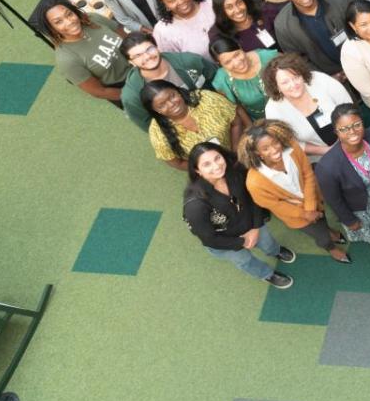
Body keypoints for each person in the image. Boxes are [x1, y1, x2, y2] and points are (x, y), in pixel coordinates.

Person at [183, 141, 295, 289]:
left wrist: (255, 227)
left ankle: (275, 251)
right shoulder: (195, 205)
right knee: (244, 260)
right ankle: (266, 274)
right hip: (226, 242)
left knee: (267, 241)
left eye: (217, 158)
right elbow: (209, 239)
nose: (216, 166)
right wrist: (241, 242)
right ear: (197, 170)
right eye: (207, 164)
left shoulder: (234, 173)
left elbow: (253, 199)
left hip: (250, 223)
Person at [239, 120, 351, 263]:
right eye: (265, 148)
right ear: (256, 152)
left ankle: (331, 232)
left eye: (275, 143)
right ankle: (330, 248)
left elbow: (307, 173)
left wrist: (310, 207)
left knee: (322, 218)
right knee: (321, 235)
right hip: (296, 215)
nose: (274, 150)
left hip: (313, 198)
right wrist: (305, 214)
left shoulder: (293, 147)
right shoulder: (255, 182)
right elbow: (276, 206)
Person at [313, 104, 370, 251]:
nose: (352, 132)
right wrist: (349, 220)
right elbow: (333, 199)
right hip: (363, 206)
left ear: (363, 122)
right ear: (336, 131)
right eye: (344, 129)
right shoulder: (327, 166)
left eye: (356, 125)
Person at [261, 52, 352, 161]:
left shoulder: (320, 80)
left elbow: (349, 108)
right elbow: (288, 142)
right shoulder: (273, 110)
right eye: (285, 82)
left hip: (352, 139)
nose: (293, 85)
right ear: (277, 86)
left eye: (296, 77)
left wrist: (348, 139)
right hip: (321, 159)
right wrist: (327, 151)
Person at [120, 31, 217, 130]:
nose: (147, 56)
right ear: (131, 62)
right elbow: (150, 127)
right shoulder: (132, 96)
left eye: (150, 49)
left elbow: (218, 79)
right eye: (138, 56)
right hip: (185, 132)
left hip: (215, 111)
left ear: (157, 47)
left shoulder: (189, 61)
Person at [41, 0, 130, 104]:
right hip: (124, 87)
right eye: (58, 22)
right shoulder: (67, 59)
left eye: (69, 14)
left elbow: (127, 39)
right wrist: (133, 96)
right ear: (52, 29)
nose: (69, 22)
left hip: (143, 65)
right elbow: (99, 91)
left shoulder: (94, 19)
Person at [142, 81, 245, 171]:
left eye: (172, 96)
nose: (171, 104)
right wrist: (207, 168)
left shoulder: (206, 98)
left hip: (239, 154)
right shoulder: (157, 132)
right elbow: (177, 163)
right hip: (211, 172)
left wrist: (235, 153)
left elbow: (236, 123)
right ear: (156, 110)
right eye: (162, 105)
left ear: (178, 92)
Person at [273, 0, 351, 77]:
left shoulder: (339, 1)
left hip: (358, 60)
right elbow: (297, 60)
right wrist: (325, 78)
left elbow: (358, 26)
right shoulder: (283, 26)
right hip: (331, 76)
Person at [209, 37, 278, 121]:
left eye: (237, 54)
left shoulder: (269, 57)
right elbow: (236, 108)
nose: (237, 62)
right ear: (220, 64)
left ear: (240, 47)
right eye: (228, 62)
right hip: (261, 121)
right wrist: (250, 125)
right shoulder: (222, 80)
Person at [151, 0, 216, 55]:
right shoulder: (163, 32)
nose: (181, 1)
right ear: (165, 6)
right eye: (171, 0)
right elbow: (174, 62)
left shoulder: (212, 0)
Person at [211, 0, 278, 52]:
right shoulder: (220, 35)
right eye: (230, 7)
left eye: (239, 2)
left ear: (244, 0)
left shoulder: (265, 11)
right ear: (221, 11)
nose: (237, 10)